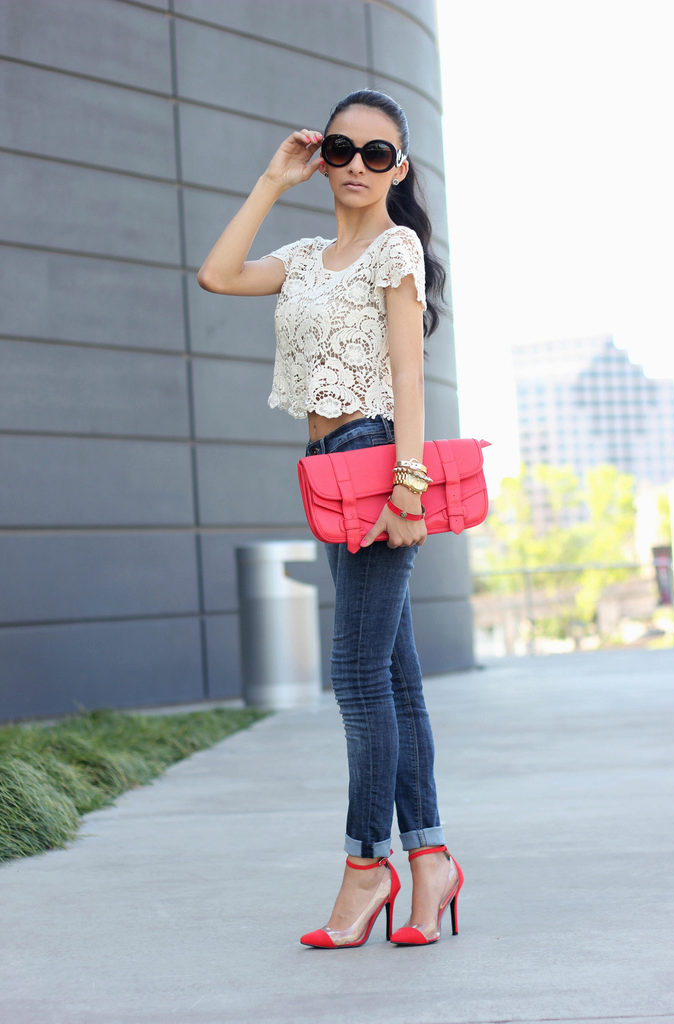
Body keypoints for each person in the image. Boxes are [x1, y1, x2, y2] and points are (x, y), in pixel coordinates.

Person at [197, 90, 463, 948]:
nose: (356, 166)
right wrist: (273, 180)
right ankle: (431, 862)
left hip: (378, 461)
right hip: (327, 469)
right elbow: (218, 274)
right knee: (393, 676)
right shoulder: (306, 257)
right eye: (341, 149)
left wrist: (409, 490)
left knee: (354, 675)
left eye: (376, 154)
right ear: (324, 158)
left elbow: (408, 374)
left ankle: (365, 867)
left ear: (399, 168)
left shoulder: (395, 249)